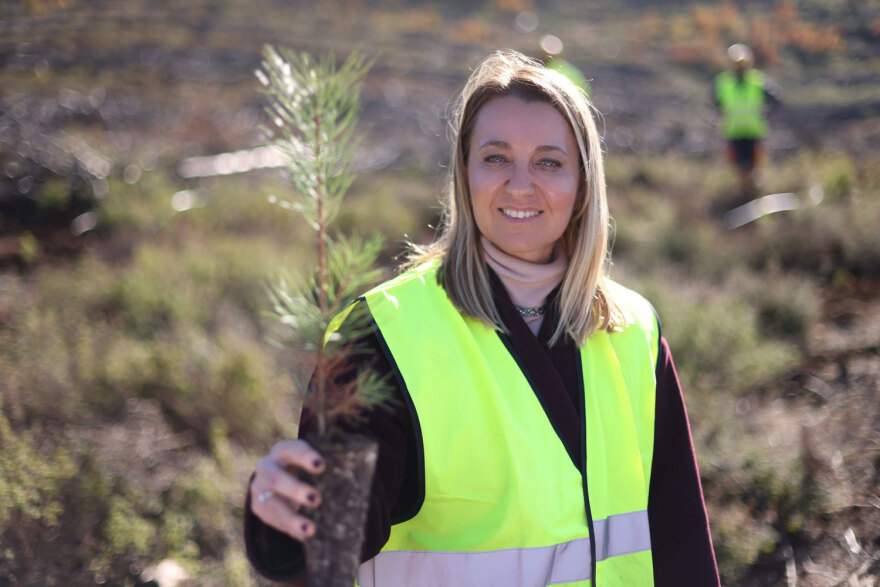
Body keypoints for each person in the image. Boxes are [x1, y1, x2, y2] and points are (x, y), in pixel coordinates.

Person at [245, 49, 720, 586]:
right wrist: (292, 517)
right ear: (464, 174)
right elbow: (331, 531)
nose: (519, 185)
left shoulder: (635, 331)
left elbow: (681, 542)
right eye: (495, 158)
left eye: (549, 162)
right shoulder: (382, 334)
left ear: (583, 184)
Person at [713, 43, 781, 198]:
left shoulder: (757, 80)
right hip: (733, 132)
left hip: (753, 131)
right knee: (738, 167)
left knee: (754, 168)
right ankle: (743, 194)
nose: (739, 68)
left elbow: (777, 98)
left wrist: (764, 114)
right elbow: (716, 103)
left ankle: (753, 193)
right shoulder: (723, 82)